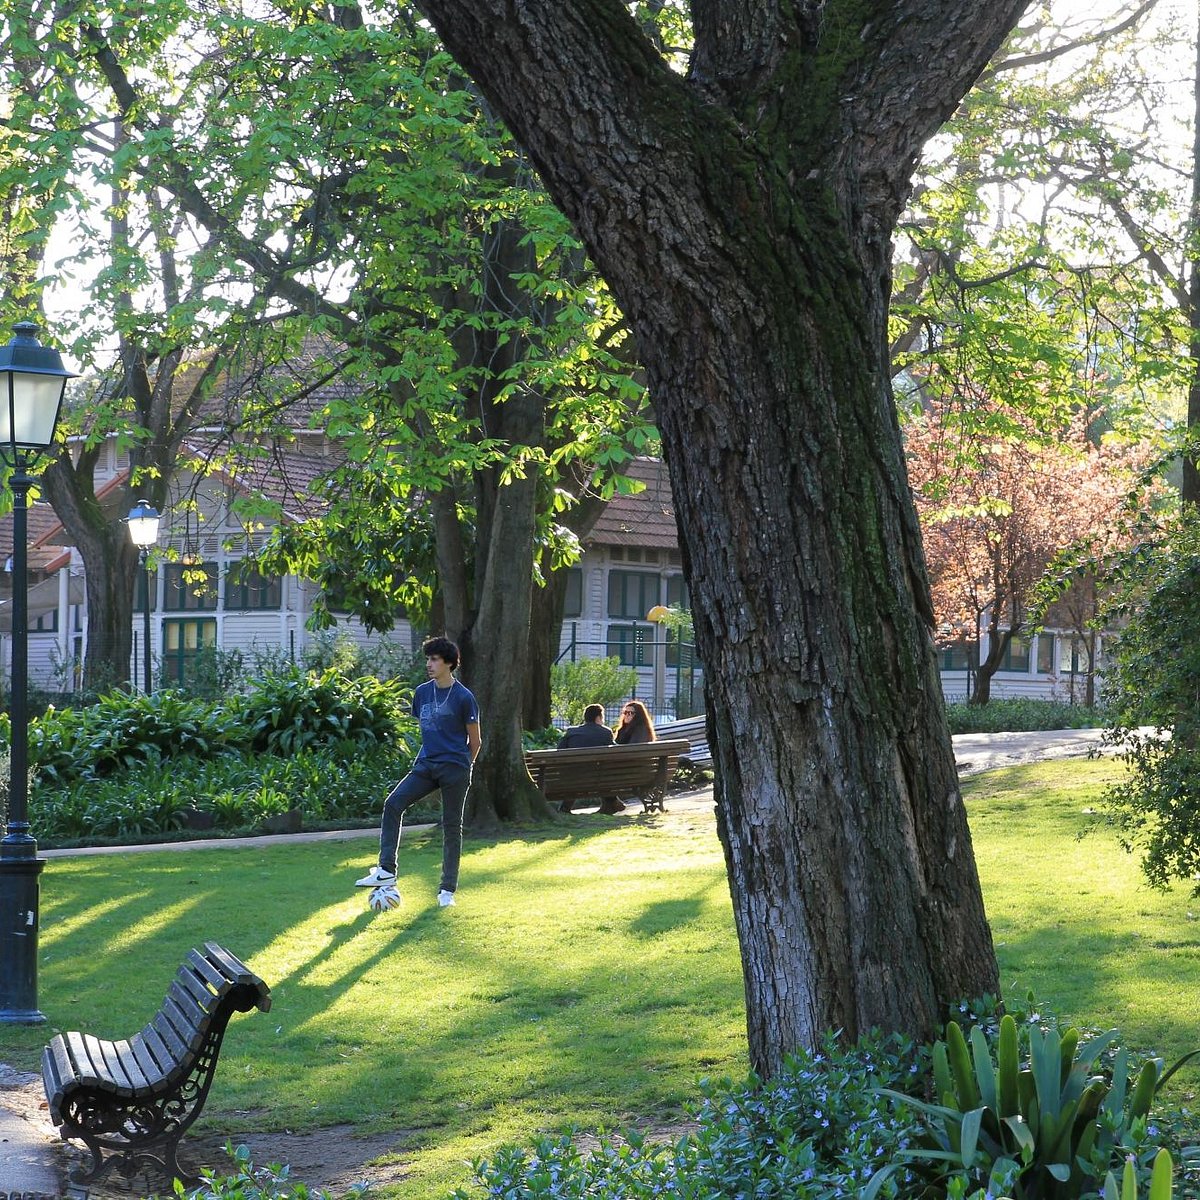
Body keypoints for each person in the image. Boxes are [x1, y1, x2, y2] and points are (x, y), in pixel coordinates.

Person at [355, 636, 481, 907]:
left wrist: (463, 767)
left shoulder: (464, 697)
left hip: (455, 768)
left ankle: (447, 891)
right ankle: (386, 869)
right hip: (426, 764)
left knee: (451, 827)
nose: (429, 664)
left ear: (449, 663)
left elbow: (476, 741)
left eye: (434, 659)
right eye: (428, 659)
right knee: (393, 803)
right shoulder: (422, 692)